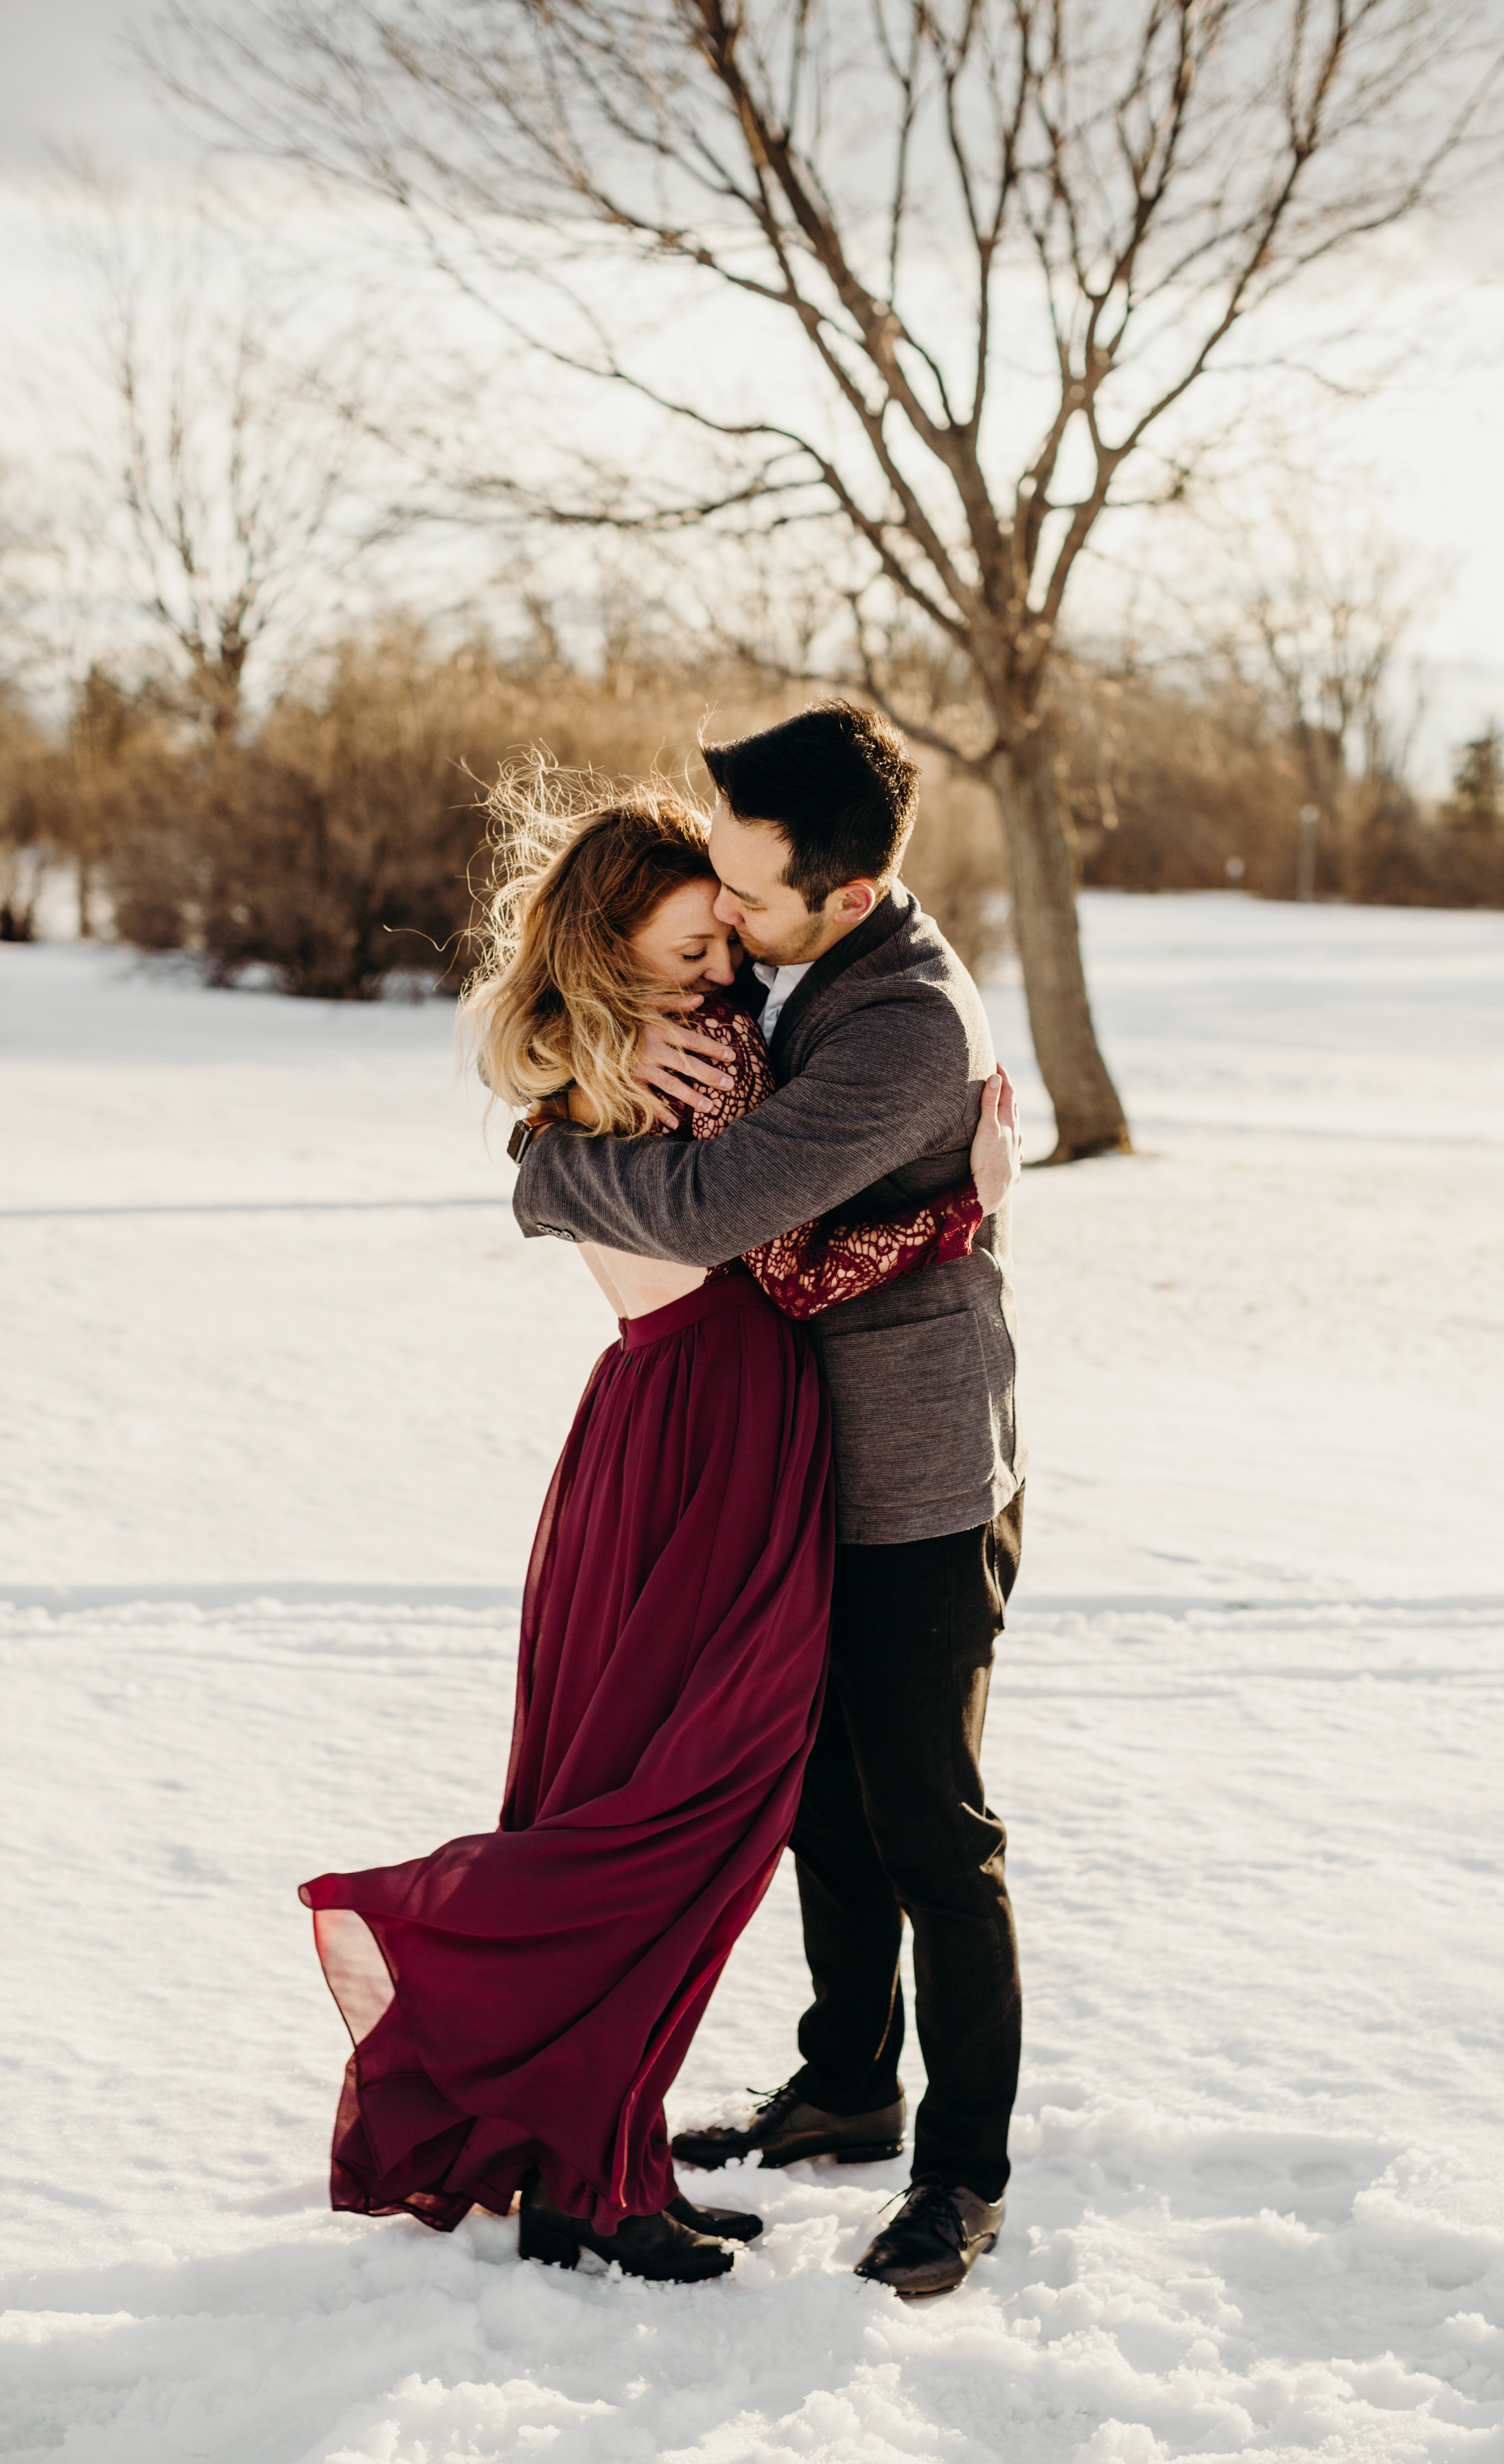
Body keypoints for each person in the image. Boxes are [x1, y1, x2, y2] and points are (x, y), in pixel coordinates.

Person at [298, 786, 1019, 2287]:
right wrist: (965, 1205)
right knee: (679, 1811)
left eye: (724, 942)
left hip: (674, 1432)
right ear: (617, 952)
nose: (724, 973)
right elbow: (792, 1262)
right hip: (712, 1441)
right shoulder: (694, 1059)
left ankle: (594, 2162)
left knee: (666, 1799)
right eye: (692, 949)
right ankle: (555, 2118)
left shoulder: (623, 1043)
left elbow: (601, 1157)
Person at [512, 702, 1028, 2299]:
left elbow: (733, 1204)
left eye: (745, 889)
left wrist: (542, 1171)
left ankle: (963, 2172)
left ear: (846, 895)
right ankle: (846, 2080)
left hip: (918, 1470)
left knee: (928, 1823)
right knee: (816, 1798)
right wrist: (548, 1091)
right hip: (797, 1456)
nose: (723, 915)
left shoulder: (900, 1026)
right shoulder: (791, 961)